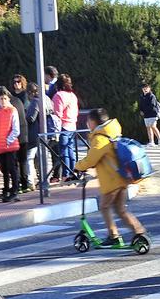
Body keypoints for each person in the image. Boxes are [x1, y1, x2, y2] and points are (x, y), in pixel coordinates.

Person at [74, 108, 147, 246]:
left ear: (94, 122)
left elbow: (91, 159)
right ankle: (139, 232)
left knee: (104, 206)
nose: (88, 124)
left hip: (111, 180)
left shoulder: (100, 138)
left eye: (88, 121)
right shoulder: (112, 133)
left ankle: (114, 235)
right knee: (120, 209)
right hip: (122, 178)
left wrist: (78, 166)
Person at [0, 86, 21, 202]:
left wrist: (8, 140)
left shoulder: (12, 110)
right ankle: (6, 190)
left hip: (9, 145)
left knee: (12, 168)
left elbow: (16, 129)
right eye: (1, 98)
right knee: (3, 169)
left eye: (5, 98)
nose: (3, 101)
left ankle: (14, 190)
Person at [52, 74, 79, 181]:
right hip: (73, 125)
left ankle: (65, 174)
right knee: (70, 149)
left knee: (63, 152)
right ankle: (72, 172)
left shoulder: (59, 95)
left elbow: (57, 113)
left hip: (63, 126)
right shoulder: (73, 95)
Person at [26, 82, 53, 190]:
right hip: (47, 132)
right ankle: (45, 179)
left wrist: (25, 114)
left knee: (29, 157)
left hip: (35, 134)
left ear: (30, 92)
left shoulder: (35, 101)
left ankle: (30, 181)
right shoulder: (47, 99)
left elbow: (30, 118)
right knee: (45, 157)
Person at [8, 85, 31, 193]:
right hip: (23, 134)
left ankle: (19, 184)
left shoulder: (11, 105)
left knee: (17, 161)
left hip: (18, 135)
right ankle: (25, 184)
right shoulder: (17, 101)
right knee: (23, 160)